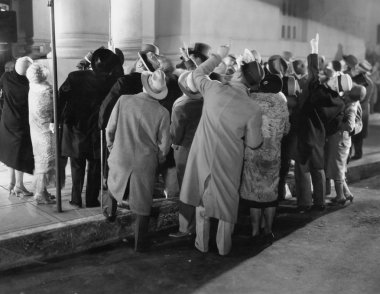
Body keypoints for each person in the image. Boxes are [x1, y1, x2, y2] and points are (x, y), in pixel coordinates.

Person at [180, 45, 263, 256]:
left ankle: (202, 244)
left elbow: (196, 73)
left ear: (239, 74)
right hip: (230, 158)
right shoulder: (253, 108)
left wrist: (218, 55)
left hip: (204, 154)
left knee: (202, 200)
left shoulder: (214, 89)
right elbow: (254, 143)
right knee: (227, 202)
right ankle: (224, 247)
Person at [104, 69, 171, 252]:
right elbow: (165, 145)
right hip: (145, 161)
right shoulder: (163, 112)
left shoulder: (124, 100)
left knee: (114, 182)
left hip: (120, 155)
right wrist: (157, 159)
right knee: (143, 204)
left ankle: (110, 212)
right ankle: (140, 244)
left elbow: (110, 129)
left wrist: (112, 149)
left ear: (144, 85)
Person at [58, 48, 122, 208]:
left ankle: (76, 198)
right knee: (95, 165)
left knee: (77, 165)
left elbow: (61, 98)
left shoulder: (75, 76)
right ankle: (92, 200)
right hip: (97, 128)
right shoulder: (112, 81)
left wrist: (57, 120)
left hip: (75, 128)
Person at [296, 33, 353, 212]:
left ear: (336, 84)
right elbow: (334, 126)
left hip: (305, 134)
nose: (331, 77)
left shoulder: (319, 91)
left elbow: (313, 74)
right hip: (320, 138)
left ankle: (305, 203)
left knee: (302, 169)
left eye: (335, 78)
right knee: (318, 169)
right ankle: (319, 203)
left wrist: (314, 50)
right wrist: (321, 131)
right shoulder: (340, 103)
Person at [240, 77, 290, 244]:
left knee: (253, 192)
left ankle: (254, 231)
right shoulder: (282, 102)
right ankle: (267, 230)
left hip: (253, 154)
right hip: (273, 155)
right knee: (271, 192)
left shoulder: (250, 100)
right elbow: (286, 129)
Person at [168, 70, 204, 238]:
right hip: (204, 148)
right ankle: (202, 225)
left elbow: (176, 133)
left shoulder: (180, 104)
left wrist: (173, 144)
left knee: (186, 188)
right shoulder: (206, 101)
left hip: (185, 150)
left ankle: (186, 228)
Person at [325, 85, 365, 205]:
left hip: (340, 140)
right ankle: (347, 194)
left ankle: (340, 196)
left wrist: (337, 124)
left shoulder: (351, 106)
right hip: (342, 140)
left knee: (337, 169)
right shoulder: (354, 102)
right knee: (339, 168)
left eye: (352, 89)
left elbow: (349, 126)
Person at [0, 56, 34, 196]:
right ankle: (19, 186)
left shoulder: (6, 77)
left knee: (10, 152)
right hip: (21, 122)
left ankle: (11, 183)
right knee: (21, 153)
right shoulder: (28, 83)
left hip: (7, 120)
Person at [26, 63, 56, 205]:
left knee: (40, 160)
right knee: (46, 161)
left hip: (36, 129)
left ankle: (43, 191)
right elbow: (51, 110)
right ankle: (40, 193)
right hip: (45, 130)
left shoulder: (32, 88)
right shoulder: (46, 91)